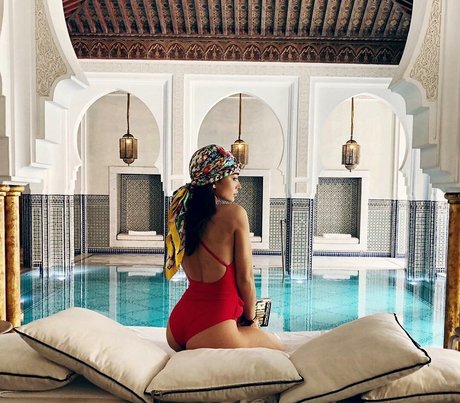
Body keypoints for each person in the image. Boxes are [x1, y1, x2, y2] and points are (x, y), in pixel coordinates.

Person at [164, 144, 283, 352]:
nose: (239, 186)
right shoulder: (235, 214)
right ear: (215, 181)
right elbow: (246, 279)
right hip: (214, 325)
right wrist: (250, 320)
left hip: (177, 326)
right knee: (280, 349)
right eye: (234, 178)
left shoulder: (183, 218)